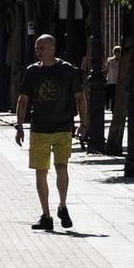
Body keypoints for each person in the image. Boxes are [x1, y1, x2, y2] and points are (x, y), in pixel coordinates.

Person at [14, 33, 86, 231]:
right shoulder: (32, 72)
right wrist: (19, 126)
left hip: (63, 128)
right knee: (41, 172)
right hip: (39, 129)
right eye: (36, 48)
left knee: (61, 167)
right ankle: (46, 214)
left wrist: (83, 123)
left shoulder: (68, 70)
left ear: (52, 49)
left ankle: (62, 206)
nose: (38, 51)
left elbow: (80, 97)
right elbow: (23, 100)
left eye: (41, 48)